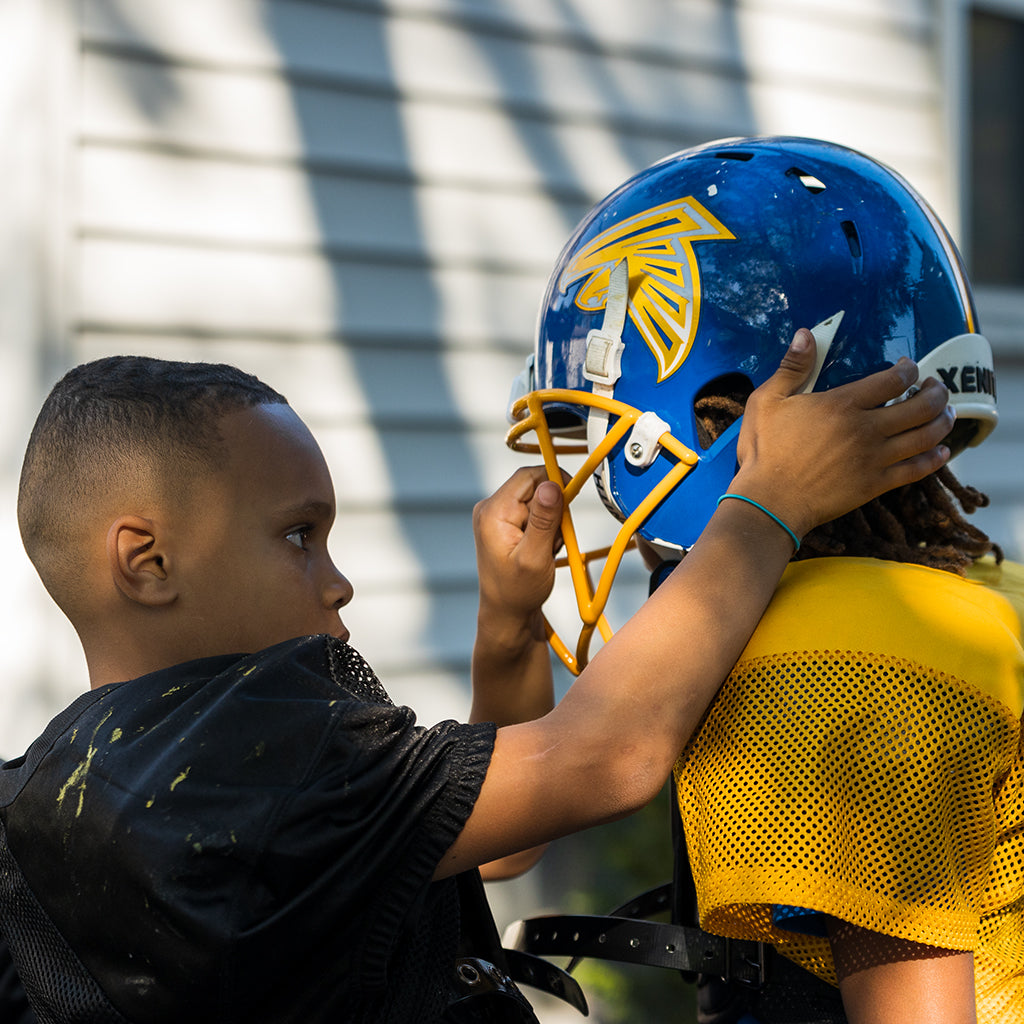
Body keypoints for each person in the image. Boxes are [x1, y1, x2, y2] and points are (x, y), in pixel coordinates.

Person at [0, 336, 949, 1024]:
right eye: (298, 536)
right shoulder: (258, 759)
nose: (337, 580)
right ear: (147, 561)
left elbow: (493, 850)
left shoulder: (84, 787)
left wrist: (507, 628)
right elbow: (607, 759)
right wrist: (772, 499)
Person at [505, 135, 1022, 1023]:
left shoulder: (834, 664)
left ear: (717, 413)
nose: (583, 473)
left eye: (601, 427)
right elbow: (501, 840)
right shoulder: (964, 586)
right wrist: (504, 626)